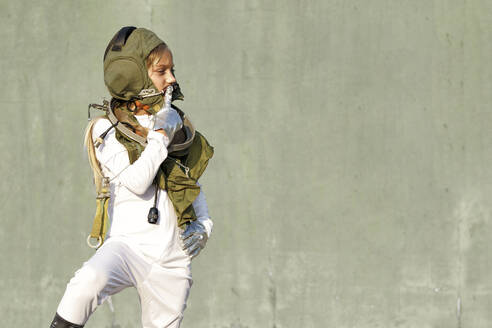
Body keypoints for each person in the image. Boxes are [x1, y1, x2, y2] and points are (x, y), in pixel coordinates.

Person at [49, 27, 214, 328]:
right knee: (86, 282)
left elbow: (192, 186)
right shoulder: (107, 130)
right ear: (133, 76)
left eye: (172, 70)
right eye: (161, 71)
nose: (172, 79)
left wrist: (204, 226)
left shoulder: (179, 131)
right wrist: (160, 135)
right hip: (126, 248)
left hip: (171, 260)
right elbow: (138, 180)